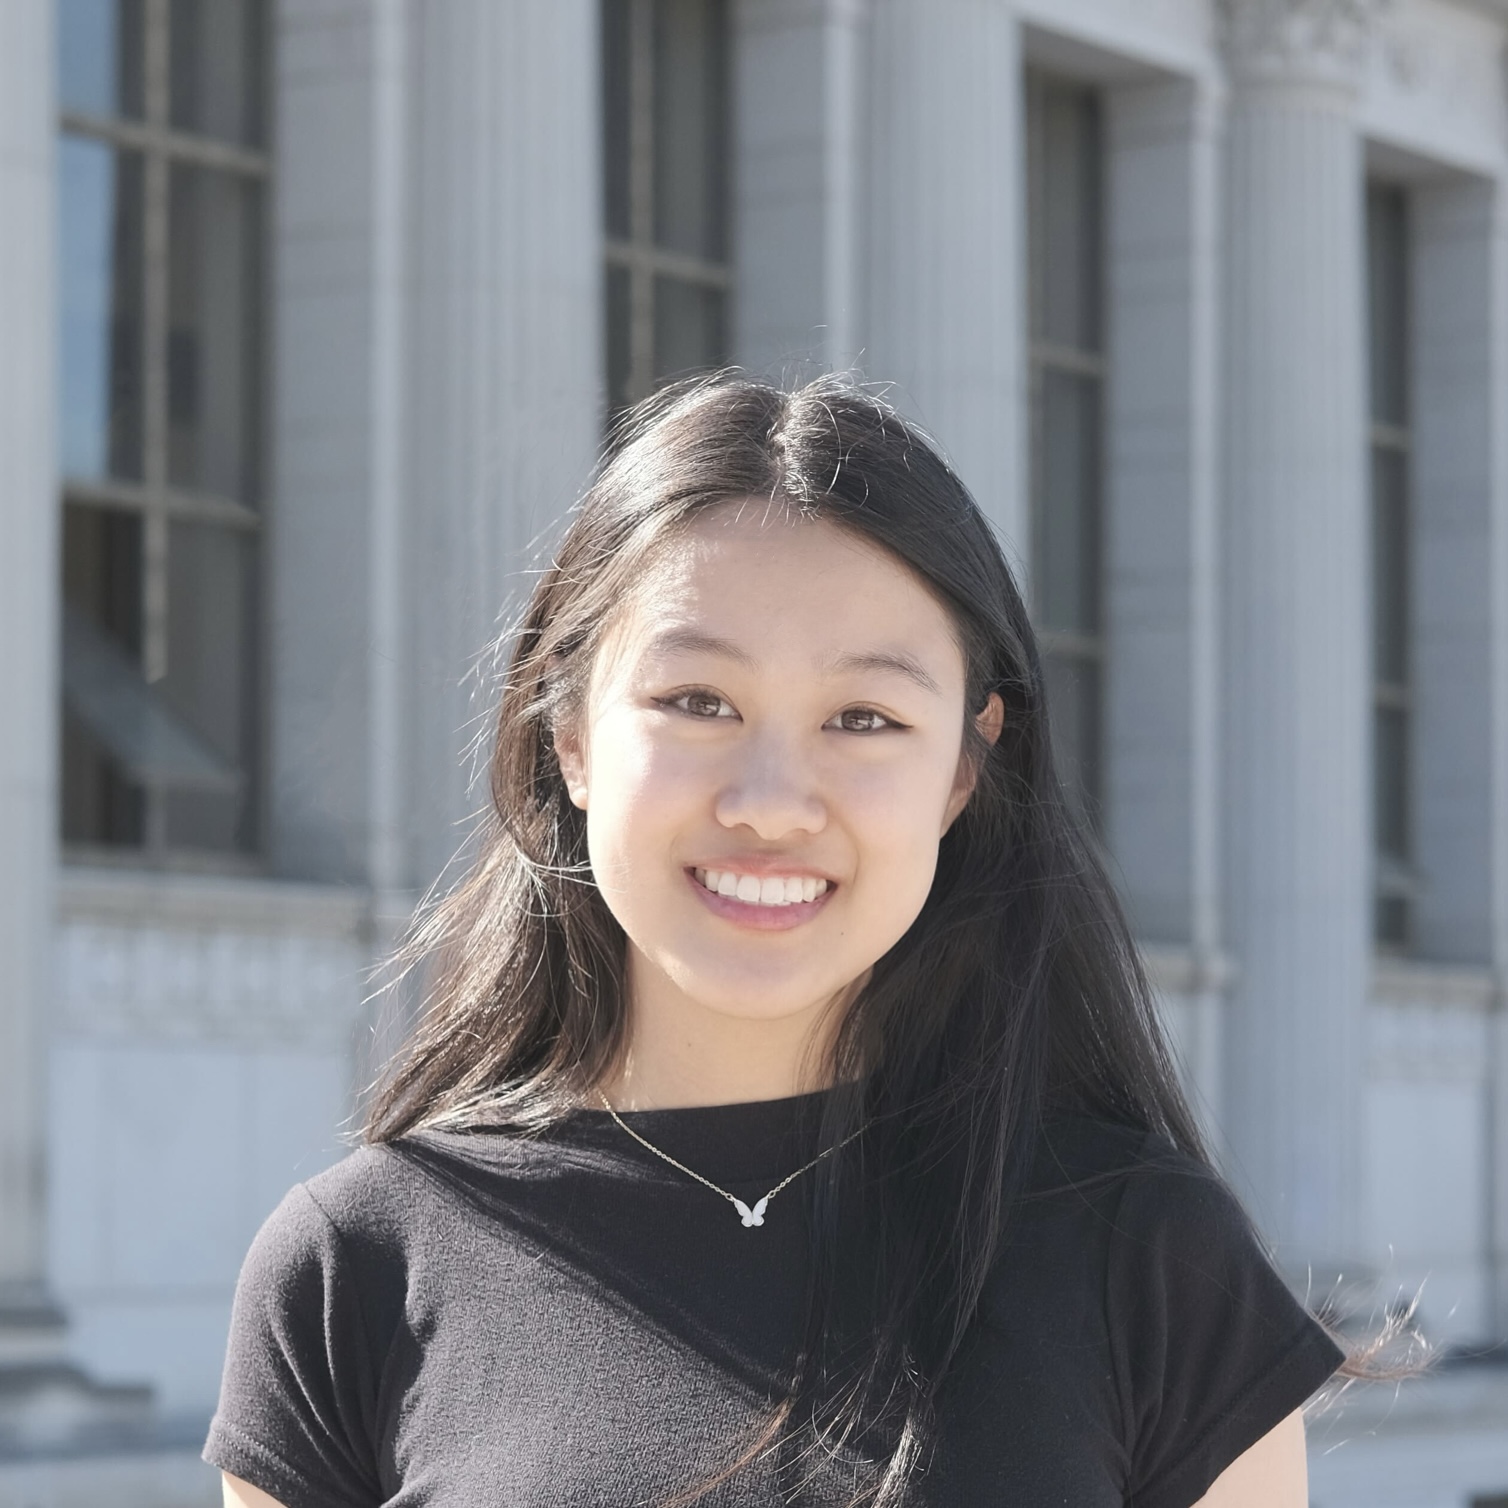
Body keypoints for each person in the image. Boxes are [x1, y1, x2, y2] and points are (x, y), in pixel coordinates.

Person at [205, 374, 1346, 1507]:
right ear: (569, 734)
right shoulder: (352, 1265)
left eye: (864, 718)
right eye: (697, 701)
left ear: (961, 766)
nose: (768, 800)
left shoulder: (1149, 1259)